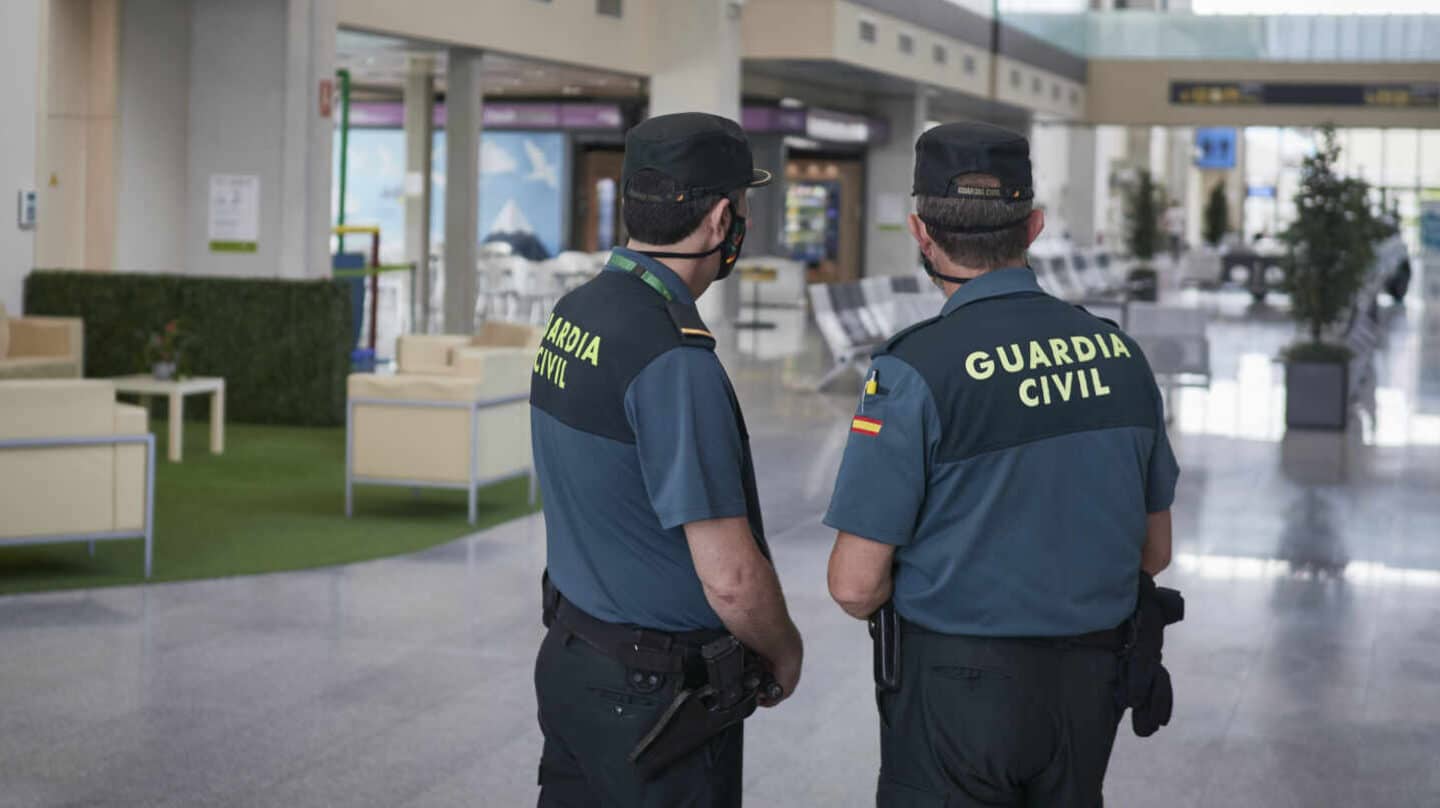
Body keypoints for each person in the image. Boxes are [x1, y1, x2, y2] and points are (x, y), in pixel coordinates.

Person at [823, 122, 1180, 807]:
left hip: (958, 691)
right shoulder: (1120, 357)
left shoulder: (914, 369)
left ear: (921, 232)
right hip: (1090, 684)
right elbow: (1153, 550)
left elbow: (854, 584)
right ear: (1035, 226)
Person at [530, 112, 804, 807]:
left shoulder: (577, 312)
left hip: (573, 660)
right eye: (739, 208)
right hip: (655, 704)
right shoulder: (673, 357)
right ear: (720, 221)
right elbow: (732, 578)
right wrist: (784, 650)